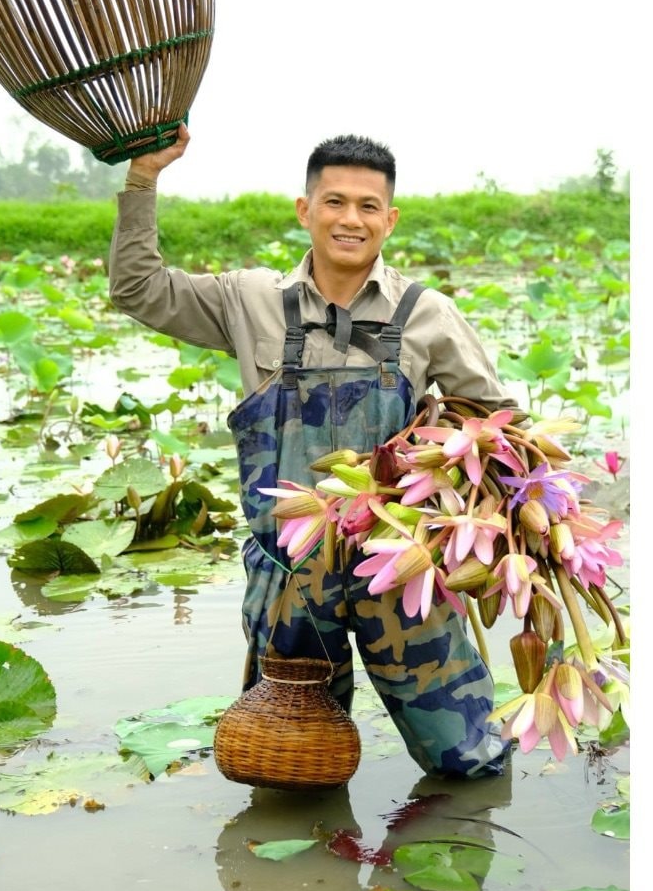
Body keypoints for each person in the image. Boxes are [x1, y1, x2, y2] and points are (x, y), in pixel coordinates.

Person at [110, 129, 513, 778]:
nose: (350, 219)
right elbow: (137, 291)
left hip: (401, 574)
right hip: (289, 582)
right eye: (334, 201)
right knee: (290, 771)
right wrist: (142, 180)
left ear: (390, 219)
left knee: (465, 761)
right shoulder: (251, 301)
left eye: (367, 206)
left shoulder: (427, 315)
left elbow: (497, 428)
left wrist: (457, 495)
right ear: (306, 209)